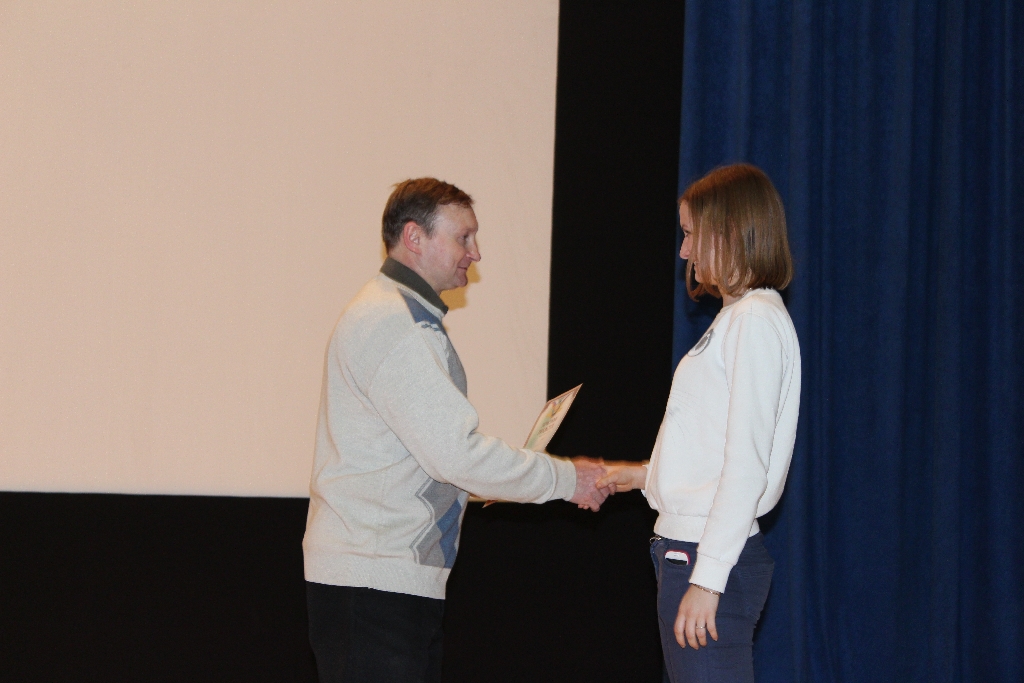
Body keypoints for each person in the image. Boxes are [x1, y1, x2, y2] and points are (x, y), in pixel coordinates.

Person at [302, 177, 608, 683]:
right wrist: (569, 478)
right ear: (414, 237)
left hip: (382, 580)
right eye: (463, 237)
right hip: (375, 584)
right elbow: (456, 455)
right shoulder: (393, 323)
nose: (476, 253)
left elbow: (440, 456)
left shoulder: (398, 314)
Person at [598, 164, 800, 683]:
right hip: (690, 551)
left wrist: (708, 580)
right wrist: (641, 475)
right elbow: (711, 448)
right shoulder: (738, 319)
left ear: (729, 232)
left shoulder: (753, 321)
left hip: (705, 557)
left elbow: (746, 465)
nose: (684, 251)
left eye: (690, 234)